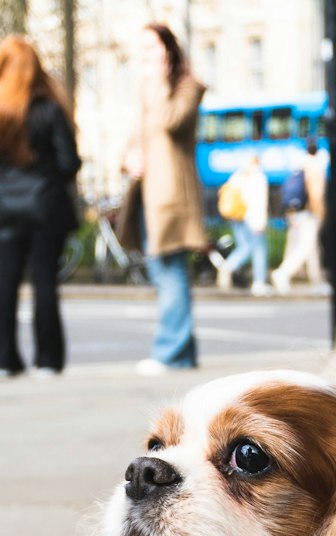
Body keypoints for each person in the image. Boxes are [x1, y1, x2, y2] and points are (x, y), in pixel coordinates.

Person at [120, 24, 204, 374]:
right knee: (163, 271)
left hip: (171, 197)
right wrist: (128, 158)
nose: (145, 58)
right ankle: (183, 354)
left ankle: (170, 352)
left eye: (151, 49)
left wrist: (157, 81)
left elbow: (171, 121)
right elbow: (135, 136)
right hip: (146, 196)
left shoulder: (188, 88)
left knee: (171, 272)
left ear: (169, 51)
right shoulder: (146, 91)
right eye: (142, 50)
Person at [0, 35, 80, 379]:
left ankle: (5, 359)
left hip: (5, 208)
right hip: (46, 207)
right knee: (45, 282)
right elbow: (69, 163)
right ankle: (48, 359)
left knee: (5, 283)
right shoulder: (50, 110)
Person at [271, 139, 326, 293]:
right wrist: (320, 213)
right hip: (308, 214)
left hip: (295, 213)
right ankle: (283, 273)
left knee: (311, 247)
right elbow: (316, 193)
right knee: (306, 247)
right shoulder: (314, 167)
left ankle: (317, 282)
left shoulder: (299, 166)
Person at [216, 155, 271, 296]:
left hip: (237, 218)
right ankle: (259, 282)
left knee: (245, 247)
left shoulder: (237, 176)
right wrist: (260, 221)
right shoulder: (258, 177)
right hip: (252, 218)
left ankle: (228, 266)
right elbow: (259, 202)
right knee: (259, 250)